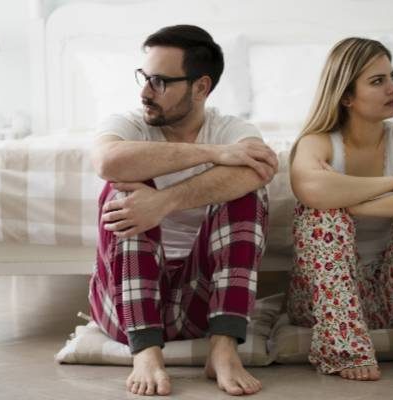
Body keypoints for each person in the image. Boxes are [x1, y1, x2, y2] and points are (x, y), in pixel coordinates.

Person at [88, 25, 278, 396]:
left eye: (159, 82)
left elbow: (260, 170)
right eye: (144, 77)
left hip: (199, 303)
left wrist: (164, 201)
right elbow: (107, 161)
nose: (145, 92)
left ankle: (223, 347)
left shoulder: (232, 128)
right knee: (121, 185)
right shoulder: (128, 124)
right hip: (123, 305)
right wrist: (214, 154)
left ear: (201, 87)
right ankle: (145, 351)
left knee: (249, 190)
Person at [287, 37, 393, 381]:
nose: (392, 88)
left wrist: (359, 207)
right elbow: (311, 190)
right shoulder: (318, 141)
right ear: (346, 96)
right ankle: (345, 349)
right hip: (323, 303)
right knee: (321, 215)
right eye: (377, 81)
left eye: (392, 76)